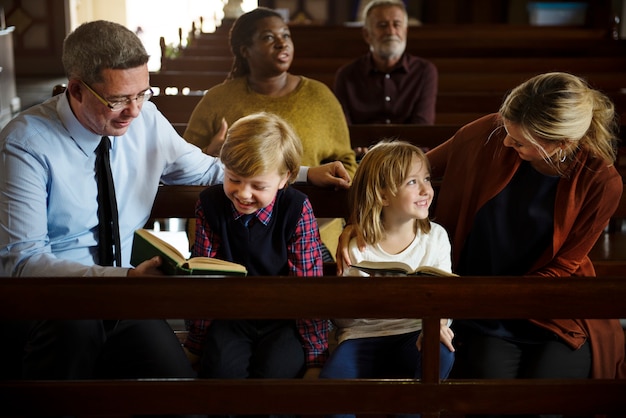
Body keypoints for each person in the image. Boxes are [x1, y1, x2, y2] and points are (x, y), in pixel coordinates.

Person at [0, 20, 349, 381]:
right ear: (76, 89)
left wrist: (304, 174)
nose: (134, 112)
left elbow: (213, 171)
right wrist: (125, 278)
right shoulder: (26, 144)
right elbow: (22, 263)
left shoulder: (145, 121)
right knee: (76, 363)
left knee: (180, 388)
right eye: (119, 100)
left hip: (126, 302)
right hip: (55, 306)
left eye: (142, 94)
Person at [337, 72, 626, 395]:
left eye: (518, 142)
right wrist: (360, 222)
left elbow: (561, 269)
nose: (505, 142)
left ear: (561, 144)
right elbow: (392, 181)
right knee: (488, 389)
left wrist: (491, 296)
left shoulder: (601, 182)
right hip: (477, 303)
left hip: (551, 306)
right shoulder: (489, 132)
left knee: (546, 391)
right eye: (507, 130)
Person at [183, 112, 328, 380]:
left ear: (284, 179)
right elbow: (204, 278)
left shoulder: (296, 209)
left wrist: (315, 357)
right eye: (234, 179)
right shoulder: (210, 205)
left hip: (283, 320)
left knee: (276, 376)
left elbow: (307, 289)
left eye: (258, 185)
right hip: (230, 317)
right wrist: (197, 342)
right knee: (221, 372)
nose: (243, 193)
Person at [319, 141, 455, 418]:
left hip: (415, 333)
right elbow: (343, 319)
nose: (426, 190)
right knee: (332, 390)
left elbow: (446, 296)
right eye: (412, 182)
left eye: (426, 179)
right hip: (362, 337)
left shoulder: (436, 237)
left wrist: (439, 324)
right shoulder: (356, 245)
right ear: (382, 195)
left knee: (442, 353)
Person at [182, 7, 357, 179]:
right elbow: (185, 165)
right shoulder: (217, 99)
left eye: (286, 35)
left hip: (308, 204)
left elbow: (346, 163)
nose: (282, 43)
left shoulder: (319, 95)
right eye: (268, 37)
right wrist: (209, 153)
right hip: (238, 202)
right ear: (245, 50)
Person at [333, 0, 438, 125]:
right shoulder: (346, 75)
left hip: (409, 145)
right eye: (382, 25)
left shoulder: (424, 71)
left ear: (405, 31)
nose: (391, 32)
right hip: (362, 145)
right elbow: (343, 129)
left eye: (397, 24)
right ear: (367, 34)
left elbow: (422, 126)